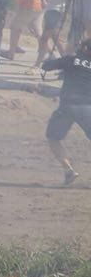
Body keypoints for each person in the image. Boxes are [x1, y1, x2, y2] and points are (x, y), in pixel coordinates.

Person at [41, 38, 91, 186]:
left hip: (67, 106)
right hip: (88, 107)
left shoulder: (71, 59)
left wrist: (50, 58)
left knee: (53, 138)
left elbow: (46, 66)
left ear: (84, 48)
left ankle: (68, 170)